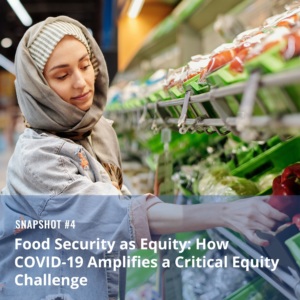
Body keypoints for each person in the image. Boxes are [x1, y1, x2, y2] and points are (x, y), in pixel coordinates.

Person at [0, 16, 287, 300]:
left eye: (86, 65)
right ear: (38, 88)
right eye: (62, 76)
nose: (81, 83)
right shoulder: (36, 160)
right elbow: (110, 215)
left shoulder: (93, 131)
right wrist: (226, 213)